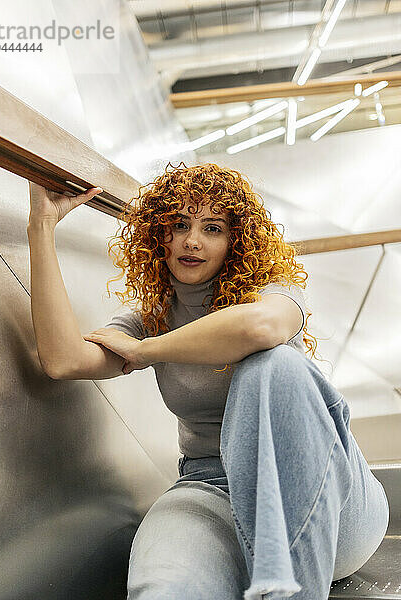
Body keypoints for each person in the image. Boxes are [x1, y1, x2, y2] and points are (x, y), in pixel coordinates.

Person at [27, 163, 389, 600]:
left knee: (272, 366)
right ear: (159, 236)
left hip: (329, 496)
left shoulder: (273, 292)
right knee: (164, 587)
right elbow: (63, 361)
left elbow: (258, 329)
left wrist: (148, 351)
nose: (192, 241)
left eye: (212, 228)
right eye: (179, 224)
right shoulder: (152, 317)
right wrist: (41, 226)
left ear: (235, 242)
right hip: (211, 485)